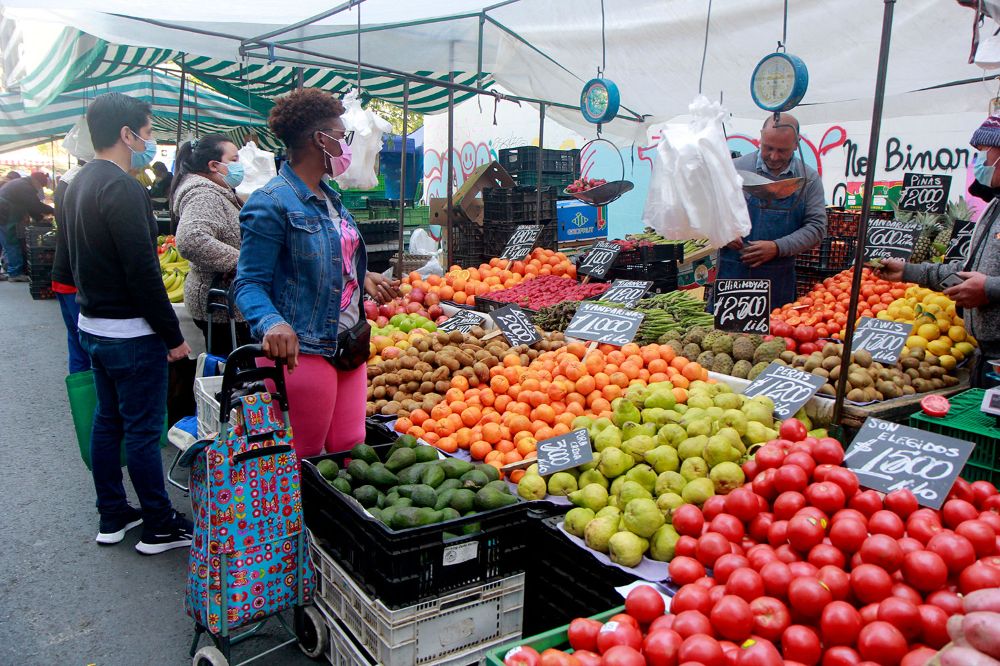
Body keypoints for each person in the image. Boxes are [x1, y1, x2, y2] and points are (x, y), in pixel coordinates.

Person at [234, 88, 399, 458]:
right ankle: (296, 518)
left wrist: (362, 276)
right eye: (342, 138)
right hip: (304, 349)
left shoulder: (331, 197)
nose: (347, 147)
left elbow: (331, 255)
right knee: (306, 456)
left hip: (350, 342)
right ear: (319, 140)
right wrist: (271, 323)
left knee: (349, 448)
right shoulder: (271, 202)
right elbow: (247, 283)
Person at [63, 92, 193, 554]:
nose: (151, 140)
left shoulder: (76, 183)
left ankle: (113, 513)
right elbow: (143, 273)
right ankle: (159, 525)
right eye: (150, 130)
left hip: (94, 325)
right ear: (127, 134)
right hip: (130, 333)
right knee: (141, 431)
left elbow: (71, 262)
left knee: (108, 421)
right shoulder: (123, 188)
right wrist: (173, 337)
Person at [876, 114, 1000, 387]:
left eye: (984, 153)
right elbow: (966, 272)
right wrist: (908, 271)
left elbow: (984, 282)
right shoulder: (993, 207)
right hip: (986, 355)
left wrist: (989, 288)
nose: (979, 161)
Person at [719, 113, 828, 307]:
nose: (774, 156)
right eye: (768, 148)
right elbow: (713, 212)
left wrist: (777, 247)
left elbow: (816, 228)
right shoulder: (734, 169)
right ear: (760, 137)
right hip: (732, 277)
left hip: (777, 282)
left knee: (775, 336)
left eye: (782, 150)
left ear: (797, 144)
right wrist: (722, 231)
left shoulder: (808, 179)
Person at [171, 135, 252, 357]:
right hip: (220, 307)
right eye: (234, 160)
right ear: (214, 165)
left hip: (223, 303)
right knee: (229, 373)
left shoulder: (214, 191)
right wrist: (242, 263)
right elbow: (191, 239)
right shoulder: (204, 195)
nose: (239, 165)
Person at [51, 159, 90, 374]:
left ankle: (83, 406)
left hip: (63, 274)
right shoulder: (81, 183)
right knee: (88, 347)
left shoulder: (67, 181)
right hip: (76, 279)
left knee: (77, 345)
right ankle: (95, 406)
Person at [0, 170, 54, 282]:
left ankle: (12, 271)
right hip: (5, 215)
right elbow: (35, 206)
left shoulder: (22, 183)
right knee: (11, 243)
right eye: (40, 186)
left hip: (4, 213)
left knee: (4, 243)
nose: (40, 188)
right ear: (36, 181)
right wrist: (54, 211)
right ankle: (15, 273)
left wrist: (40, 218)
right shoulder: (25, 187)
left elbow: (30, 207)